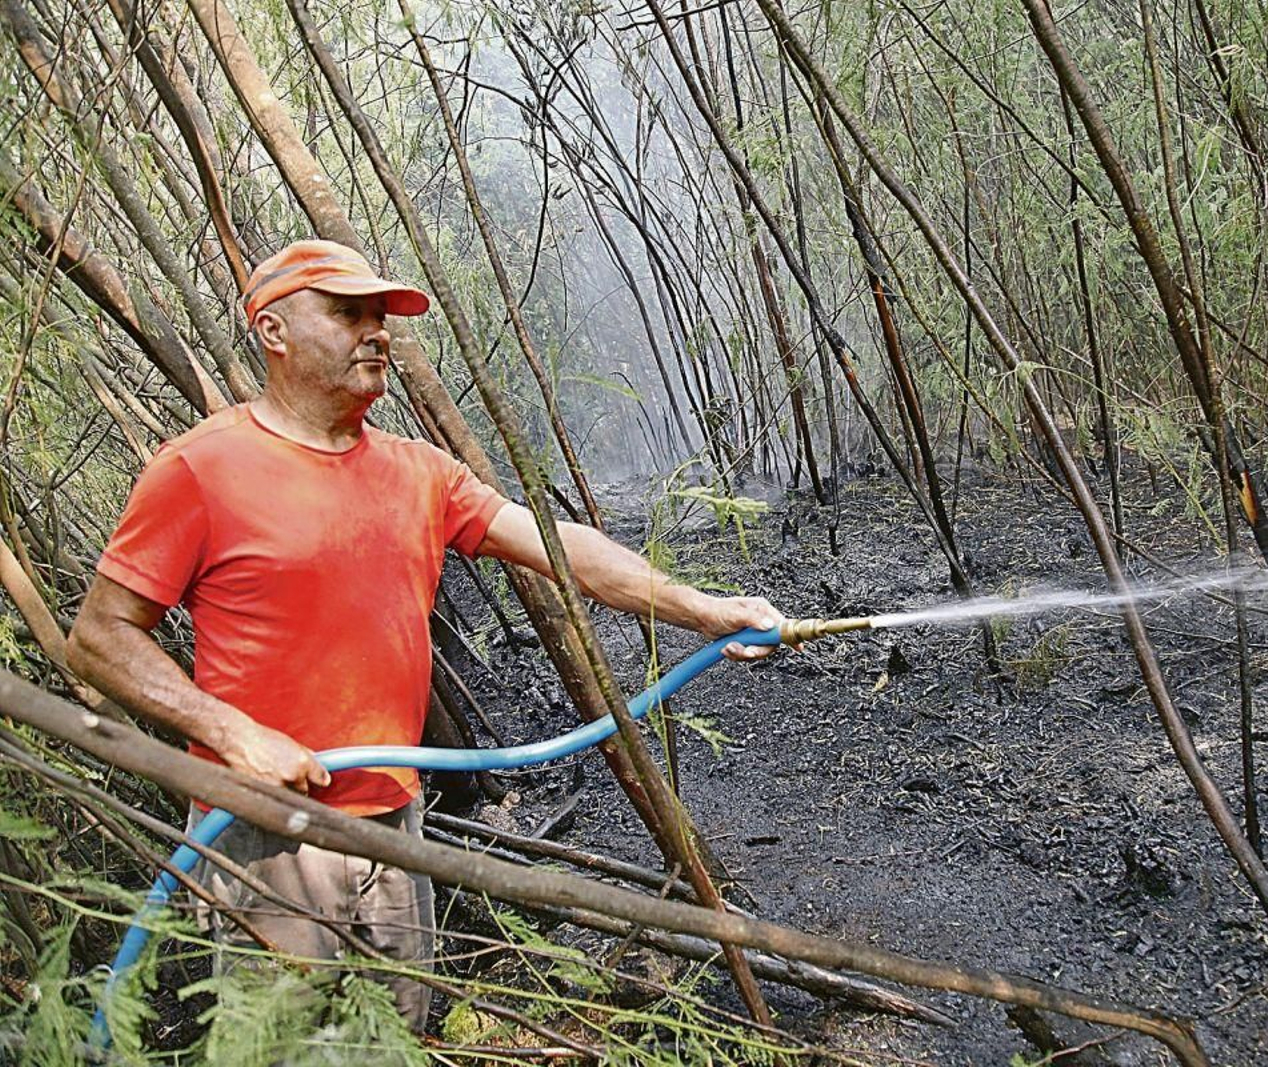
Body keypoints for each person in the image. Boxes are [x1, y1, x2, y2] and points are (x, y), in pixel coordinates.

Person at [65, 239, 783, 1029]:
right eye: (347, 313)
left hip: (396, 826)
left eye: (380, 316)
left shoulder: (418, 471)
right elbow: (99, 637)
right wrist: (233, 733)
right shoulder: (201, 469)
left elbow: (561, 548)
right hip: (267, 835)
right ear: (273, 330)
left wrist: (702, 608)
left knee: (399, 1032)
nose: (375, 331)